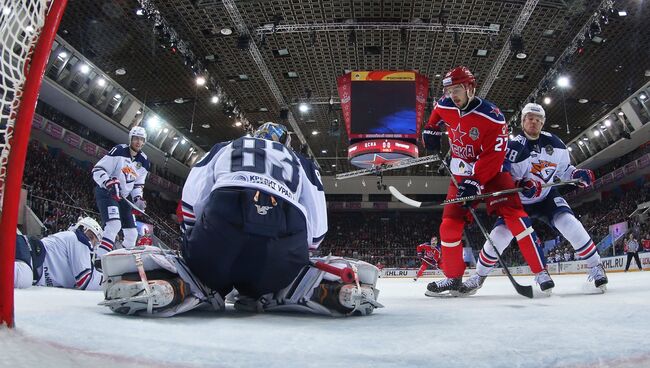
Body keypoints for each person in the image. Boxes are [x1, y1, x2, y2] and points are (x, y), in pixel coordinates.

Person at [99, 123, 383, 317]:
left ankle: (183, 283)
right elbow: (318, 227)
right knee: (277, 283)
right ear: (286, 143)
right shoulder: (302, 162)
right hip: (283, 236)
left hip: (224, 217)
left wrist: (195, 243)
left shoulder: (227, 145)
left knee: (204, 270)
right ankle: (317, 289)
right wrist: (299, 259)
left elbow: (189, 201)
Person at [421, 66, 551, 296]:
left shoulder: (493, 117)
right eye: (449, 90)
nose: (453, 95)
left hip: (493, 174)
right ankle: (453, 277)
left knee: (517, 220)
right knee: (449, 226)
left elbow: (494, 155)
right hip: (461, 173)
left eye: (457, 89)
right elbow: (435, 119)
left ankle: (541, 272)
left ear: (471, 88)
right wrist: (431, 131)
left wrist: (476, 181)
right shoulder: (444, 104)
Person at [459, 103, 608, 295]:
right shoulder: (511, 147)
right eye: (530, 118)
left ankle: (596, 267)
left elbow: (563, 171)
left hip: (546, 198)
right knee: (499, 237)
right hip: (517, 201)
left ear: (543, 123)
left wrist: (577, 174)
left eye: (538, 120)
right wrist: (520, 185)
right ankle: (478, 276)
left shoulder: (556, 144)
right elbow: (502, 178)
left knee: (570, 223)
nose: (534, 122)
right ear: (522, 121)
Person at [92, 126, 150, 256]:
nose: (138, 142)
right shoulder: (119, 150)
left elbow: (138, 185)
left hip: (123, 196)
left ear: (144, 142)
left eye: (141, 139)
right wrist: (109, 183)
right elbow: (97, 170)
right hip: (107, 193)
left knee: (132, 234)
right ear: (131, 139)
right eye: (136, 138)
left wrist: (137, 199)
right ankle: (99, 259)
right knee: (114, 225)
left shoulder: (144, 162)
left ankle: (119, 260)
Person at [14, 217, 104, 290]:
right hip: (28, 252)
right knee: (22, 277)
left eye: (95, 242)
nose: (91, 243)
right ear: (81, 228)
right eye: (91, 237)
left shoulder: (77, 255)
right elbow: (86, 281)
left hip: (28, 257)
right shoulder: (77, 238)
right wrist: (109, 282)